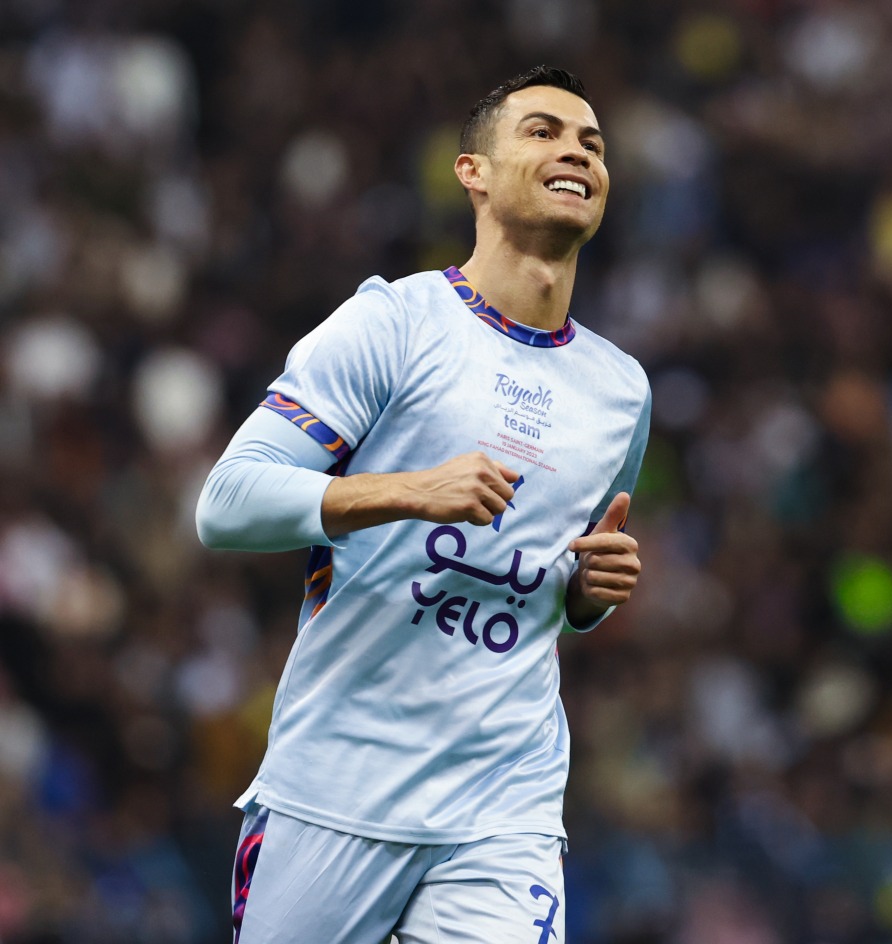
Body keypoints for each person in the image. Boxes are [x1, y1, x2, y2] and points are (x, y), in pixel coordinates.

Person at [195, 66, 650, 944]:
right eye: (544, 132)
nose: (577, 153)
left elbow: (555, 578)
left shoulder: (622, 390)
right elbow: (227, 501)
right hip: (338, 785)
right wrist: (411, 490)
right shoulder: (394, 323)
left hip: (504, 801)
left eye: (592, 145)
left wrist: (588, 597)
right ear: (472, 172)